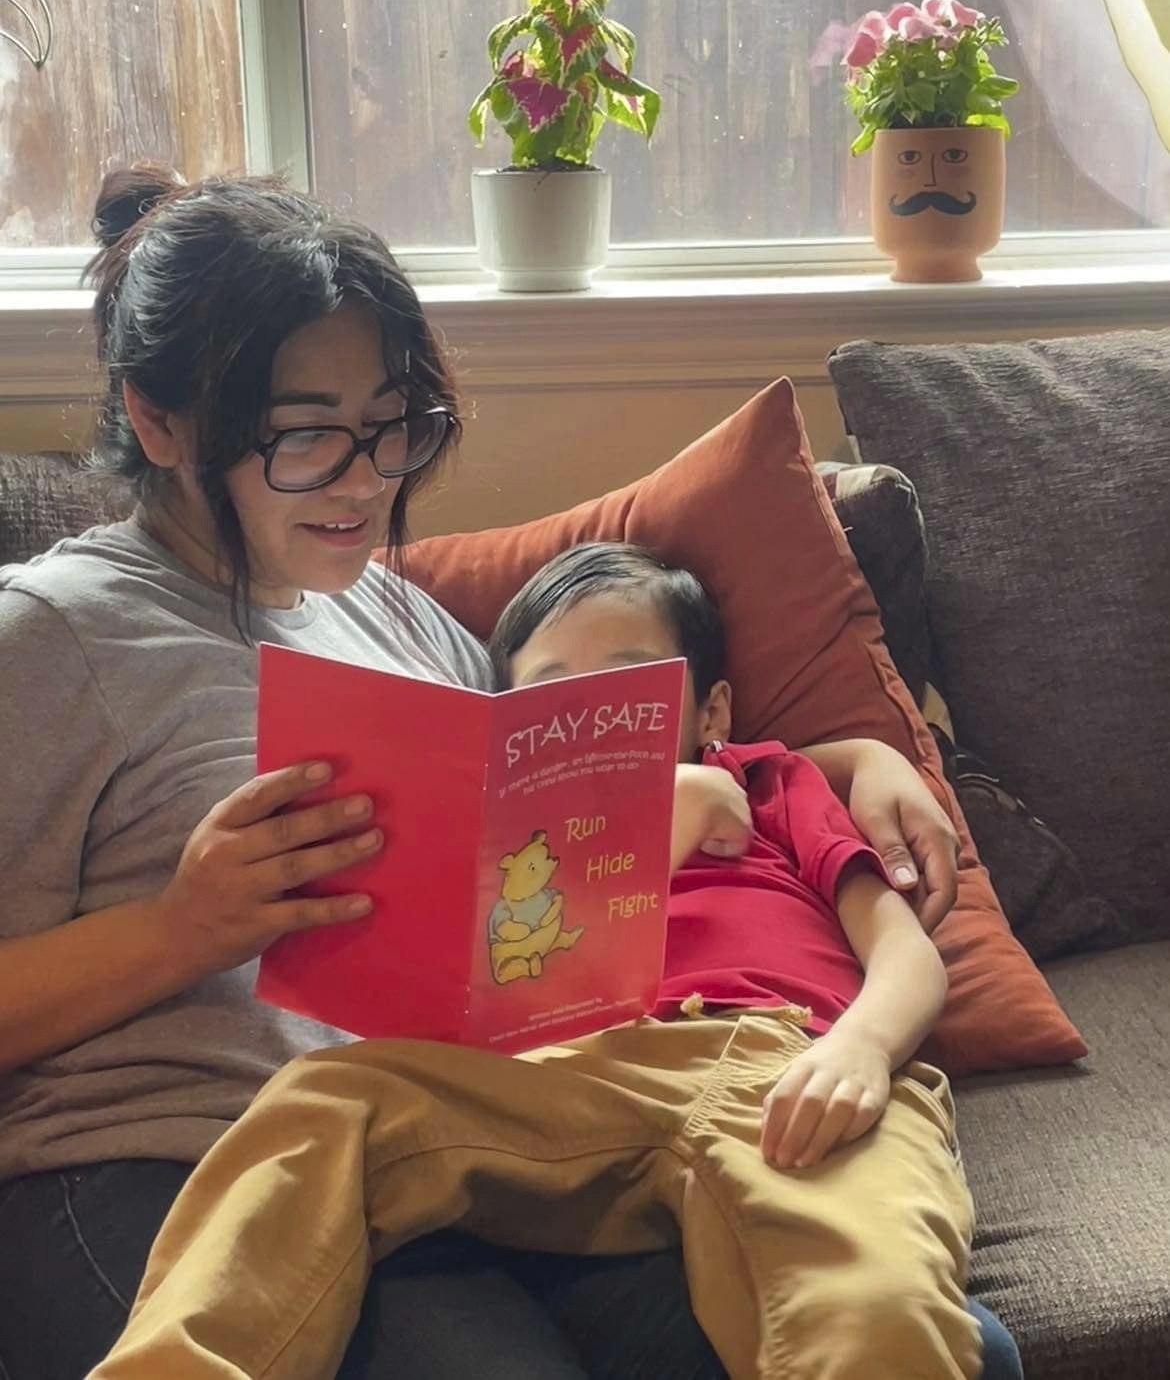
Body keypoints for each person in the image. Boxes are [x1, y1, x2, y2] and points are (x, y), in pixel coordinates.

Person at [0, 167, 975, 1380]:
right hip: (154, 1164)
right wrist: (179, 929)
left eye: (392, 424)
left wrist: (852, 755)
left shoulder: (394, 618)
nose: (365, 480)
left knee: (950, 1346)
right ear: (161, 420)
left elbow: (584, 789)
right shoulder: (55, 634)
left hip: (448, 1161)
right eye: (305, 432)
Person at [90, 543, 1023, 1379]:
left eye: (632, 686)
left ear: (712, 710)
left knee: (877, 1310)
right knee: (326, 1100)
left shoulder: (775, 783)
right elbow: (513, 970)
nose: (596, 716)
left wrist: (861, 1051)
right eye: (554, 695)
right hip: (572, 1078)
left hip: (787, 1067)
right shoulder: (516, 846)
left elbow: (906, 955)